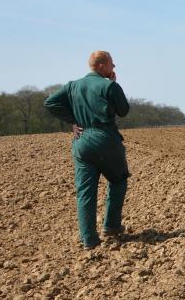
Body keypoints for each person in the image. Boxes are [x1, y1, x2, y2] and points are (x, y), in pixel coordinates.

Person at [44, 51, 131, 249]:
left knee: (85, 191)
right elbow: (124, 111)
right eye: (111, 64)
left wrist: (72, 121)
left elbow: (50, 102)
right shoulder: (109, 85)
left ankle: (88, 240)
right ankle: (111, 226)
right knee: (118, 180)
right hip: (105, 139)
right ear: (101, 65)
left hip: (81, 141)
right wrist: (115, 84)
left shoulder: (73, 85)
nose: (114, 67)